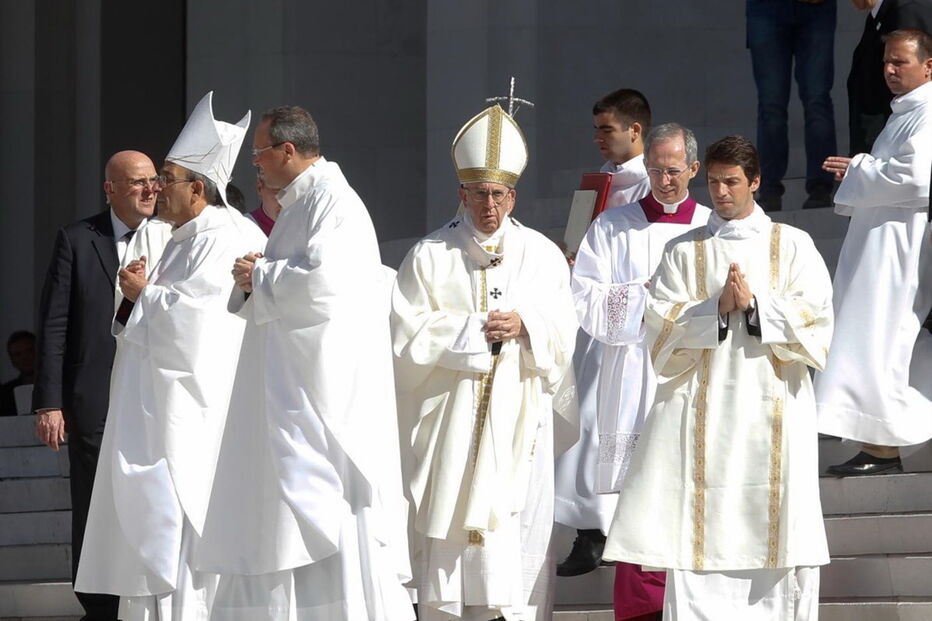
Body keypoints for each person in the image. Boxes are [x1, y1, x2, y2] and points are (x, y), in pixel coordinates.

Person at [603, 135, 833, 619]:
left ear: (755, 181)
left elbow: (817, 324)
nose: (722, 192)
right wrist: (716, 309)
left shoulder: (793, 245)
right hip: (701, 422)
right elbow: (660, 331)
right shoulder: (684, 251)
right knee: (698, 543)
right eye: (713, 182)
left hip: (774, 415)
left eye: (732, 182)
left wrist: (756, 307)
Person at [197, 105, 413, 621]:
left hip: (323, 392)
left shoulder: (332, 201)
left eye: (260, 153)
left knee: (321, 505)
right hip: (293, 382)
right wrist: (263, 276)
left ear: (287, 151)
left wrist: (262, 275)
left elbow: (326, 285)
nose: (256, 164)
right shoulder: (303, 202)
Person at [73, 92, 264, 620]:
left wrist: (143, 297)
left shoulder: (227, 234)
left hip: (194, 420)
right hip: (155, 413)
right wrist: (135, 302)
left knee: (183, 541)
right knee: (152, 545)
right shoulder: (180, 237)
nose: (157, 187)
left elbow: (205, 325)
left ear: (198, 188)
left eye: (168, 177)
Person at [392, 104, 579, 621]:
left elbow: (564, 331)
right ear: (462, 194)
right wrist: (472, 329)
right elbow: (404, 337)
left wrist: (525, 326)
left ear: (513, 196)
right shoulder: (429, 255)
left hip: (520, 423)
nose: (489, 205)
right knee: (452, 545)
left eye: (499, 194)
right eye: (479, 194)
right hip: (450, 422)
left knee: (515, 537)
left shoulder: (541, 254)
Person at [572, 123, 712, 620]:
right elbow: (584, 296)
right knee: (639, 497)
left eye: (673, 171)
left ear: (694, 169)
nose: (664, 180)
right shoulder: (612, 226)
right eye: (654, 170)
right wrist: (645, 297)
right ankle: (641, 608)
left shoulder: (711, 228)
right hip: (633, 377)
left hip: (692, 378)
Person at [32, 150, 163, 620]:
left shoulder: (173, 237)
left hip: (156, 395)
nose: (150, 189)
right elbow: (54, 325)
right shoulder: (77, 239)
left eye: (153, 180)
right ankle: (99, 602)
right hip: (95, 396)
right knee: (92, 500)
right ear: (110, 189)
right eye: (136, 182)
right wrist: (48, 402)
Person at [817, 28, 932, 475]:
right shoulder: (903, 113)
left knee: (884, 340)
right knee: (870, 337)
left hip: (900, 248)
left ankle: (882, 447)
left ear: (928, 66)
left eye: (899, 62)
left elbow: (919, 178)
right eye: (886, 61)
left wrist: (860, 167)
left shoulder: (926, 111)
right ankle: (869, 435)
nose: (888, 70)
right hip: (879, 241)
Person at [555, 88, 652, 578]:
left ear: (635, 130)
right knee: (588, 422)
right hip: (596, 322)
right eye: (595, 129)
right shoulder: (599, 184)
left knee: (614, 425)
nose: (597, 138)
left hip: (636, 334)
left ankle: (606, 530)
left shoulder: (651, 188)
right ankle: (590, 528)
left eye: (606, 129)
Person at [746, 0, 838, 211]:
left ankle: (821, 187)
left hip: (816, 7)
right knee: (771, 105)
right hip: (766, 9)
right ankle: (768, 190)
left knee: (817, 99)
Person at [847, 0, 932, 154]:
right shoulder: (880, 14)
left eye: (896, 63)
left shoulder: (906, 11)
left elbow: (916, 80)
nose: (889, 69)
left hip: (895, 141)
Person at [1, 331, 35, 416]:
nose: (25, 357)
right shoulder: (5, 394)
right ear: (13, 361)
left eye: (29, 350)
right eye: (18, 354)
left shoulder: (56, 387)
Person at [245, 172, 281, 236]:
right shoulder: (243, 228)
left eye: (291, 191)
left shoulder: (302, 224)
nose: (285, 199)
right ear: (259, 188)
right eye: (277, 190)